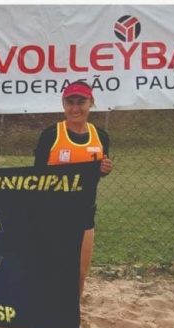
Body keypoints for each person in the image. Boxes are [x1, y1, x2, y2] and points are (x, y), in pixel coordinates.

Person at [33, 80, 113, 297]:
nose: (75, 108)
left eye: (81, 102)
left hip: (83, 212)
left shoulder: (101, 136)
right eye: (70, 102)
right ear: (63, 104)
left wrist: (104, 169)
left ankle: (73, 308)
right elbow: (35, 177)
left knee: (80, 271)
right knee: (50, 267)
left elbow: (97, 172)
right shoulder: (51, 135)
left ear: (91, 103)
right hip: (52, 213)